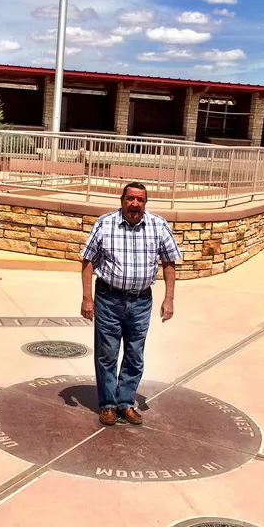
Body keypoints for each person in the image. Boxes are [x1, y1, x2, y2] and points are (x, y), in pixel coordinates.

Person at [80, 182, 181, 426]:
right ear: (122, 200)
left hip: (141, 301)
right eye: (130, 199)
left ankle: (125, 403)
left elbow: (169, 263)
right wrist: (87, 298)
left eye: (140, 200)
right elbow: (87, 260)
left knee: (135, 355)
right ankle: (107, 405)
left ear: (145, 203)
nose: (135, 204)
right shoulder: (105, 224)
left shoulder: (158, 225)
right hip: (108, 298)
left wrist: (169, 299)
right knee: (107, 354)